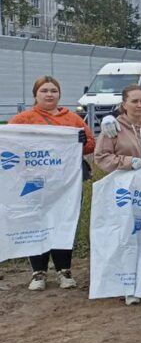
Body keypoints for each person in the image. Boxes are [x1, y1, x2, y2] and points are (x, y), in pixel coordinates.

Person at [10, 76, 95, 292]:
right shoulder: (23, 119)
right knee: (37, 223)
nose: (49, 94)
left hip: (65, 183)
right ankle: (38, 272)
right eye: (44, 90)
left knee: (64, 222)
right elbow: (9, 144)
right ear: (35, 94)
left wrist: (83, 142)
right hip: (34, 182)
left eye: (53, 91)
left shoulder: (72, 119)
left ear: (59, 94)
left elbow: (91, 144)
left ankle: (64, 270)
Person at [94, 84, 141, 305]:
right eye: (134, 101)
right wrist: (127, 162)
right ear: (124, 104)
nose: (139, 105)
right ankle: (126, 284)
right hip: (122, 192)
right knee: (126, 235)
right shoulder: (113, 127)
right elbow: (101, 157)